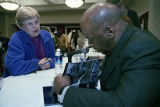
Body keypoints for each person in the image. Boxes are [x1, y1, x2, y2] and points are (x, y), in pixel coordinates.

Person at [53, 2, 160, 107]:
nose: (89, 45)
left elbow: (123, 103)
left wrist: (65, 91)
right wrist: (74, 77)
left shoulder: (143, 47)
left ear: (109, 32)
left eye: (91, 40)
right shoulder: (120, 43)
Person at [4, 6, 55, 77]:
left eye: (36, 22)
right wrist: (37, 64)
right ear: (22, 27)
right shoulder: (16, 39)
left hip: (43, 77)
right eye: (29, 24)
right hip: (20, 81)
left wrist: (49, 63)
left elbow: (55, 59)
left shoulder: (46, 35)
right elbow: (14, 68)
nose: (35, 26)